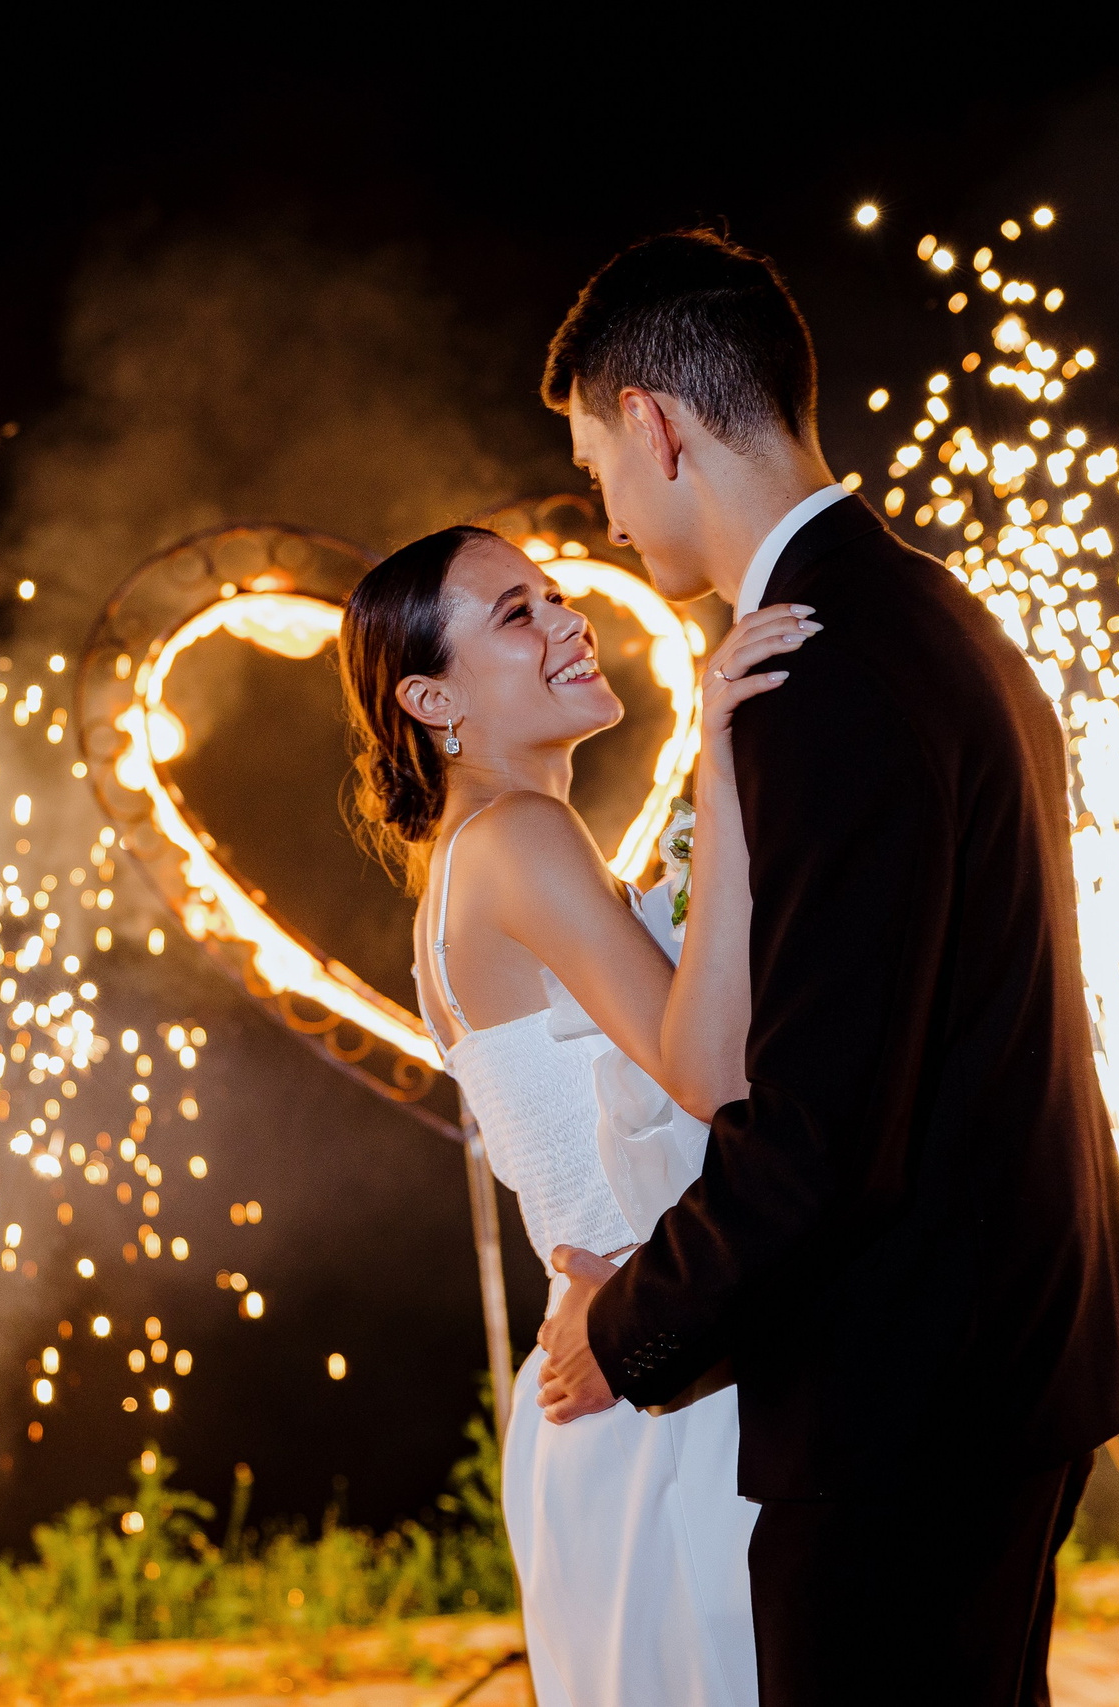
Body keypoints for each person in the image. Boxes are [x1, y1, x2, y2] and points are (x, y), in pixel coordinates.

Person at [531, 228, 1119, 1706]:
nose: (605, 516)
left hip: (906, 1390)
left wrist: (623, 1333)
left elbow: (821, 1131)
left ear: (654, 424)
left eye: (595, 464)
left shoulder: (816, 669)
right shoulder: (928, 609)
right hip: (1005, 1346)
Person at [340, 516, 813, 1706]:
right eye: (518, 614)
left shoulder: (474, 856)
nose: (567, 621)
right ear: (431, 702)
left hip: (612, 1357)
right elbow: (706, 1071)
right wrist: (718, 759)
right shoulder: (518, 836)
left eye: (555, 595)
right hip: (657, 1374)